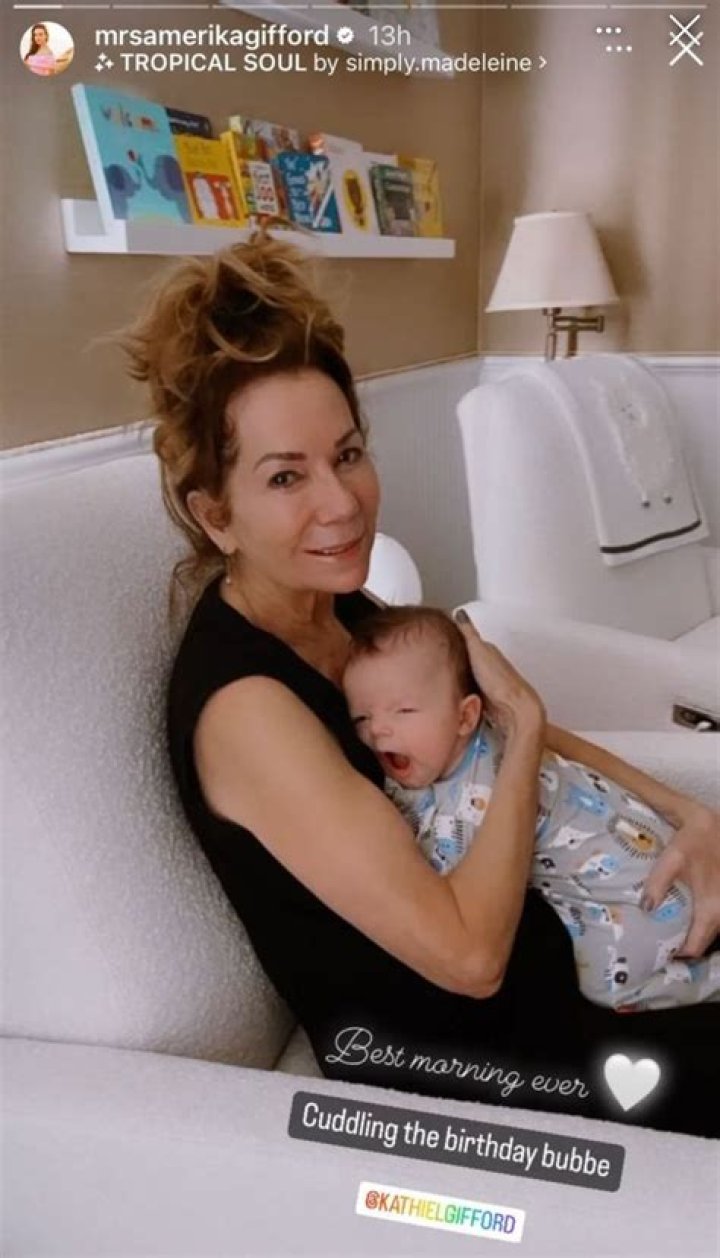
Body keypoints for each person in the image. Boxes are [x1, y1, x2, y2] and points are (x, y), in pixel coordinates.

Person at [120, 233, 720, 1137]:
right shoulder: (247, 709)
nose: (341, 502)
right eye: (285, 477)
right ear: (217, 515)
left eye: (347, 454)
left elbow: (490, 725)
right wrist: (527, 722)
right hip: (456, 1060)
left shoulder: (346, 613)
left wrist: (688, 812)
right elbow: (470, 957)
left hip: (571, 959)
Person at [342, 604, 720, 1012]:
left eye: (403, 711)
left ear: (466, 716)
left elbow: (443, 889)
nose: (377, 730)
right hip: (666, 853)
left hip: (646, 902)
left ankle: (709, 980)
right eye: (361, 717)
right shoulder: (495, 733)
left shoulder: (477, 801)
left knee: (609, 987)